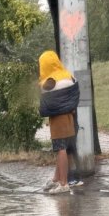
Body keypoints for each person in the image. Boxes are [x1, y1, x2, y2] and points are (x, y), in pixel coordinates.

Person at [38, 50, 81, 194]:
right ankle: (56, 179)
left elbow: (44, 104)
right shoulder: (69, 76)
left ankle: (63, 184)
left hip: (58, 120)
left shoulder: (50, 82)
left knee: (60, 150)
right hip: (69, 117)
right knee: (63, 149)